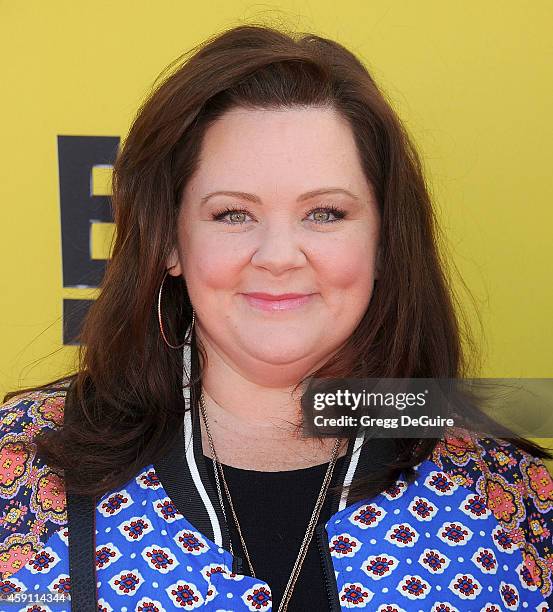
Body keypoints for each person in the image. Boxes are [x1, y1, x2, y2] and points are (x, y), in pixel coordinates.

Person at [1, 24, 552, 612]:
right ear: (169, 242)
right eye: (233, 214)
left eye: (326, 213)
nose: (280, 256)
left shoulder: (511, 498)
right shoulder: (20, 467)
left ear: (385, 243)